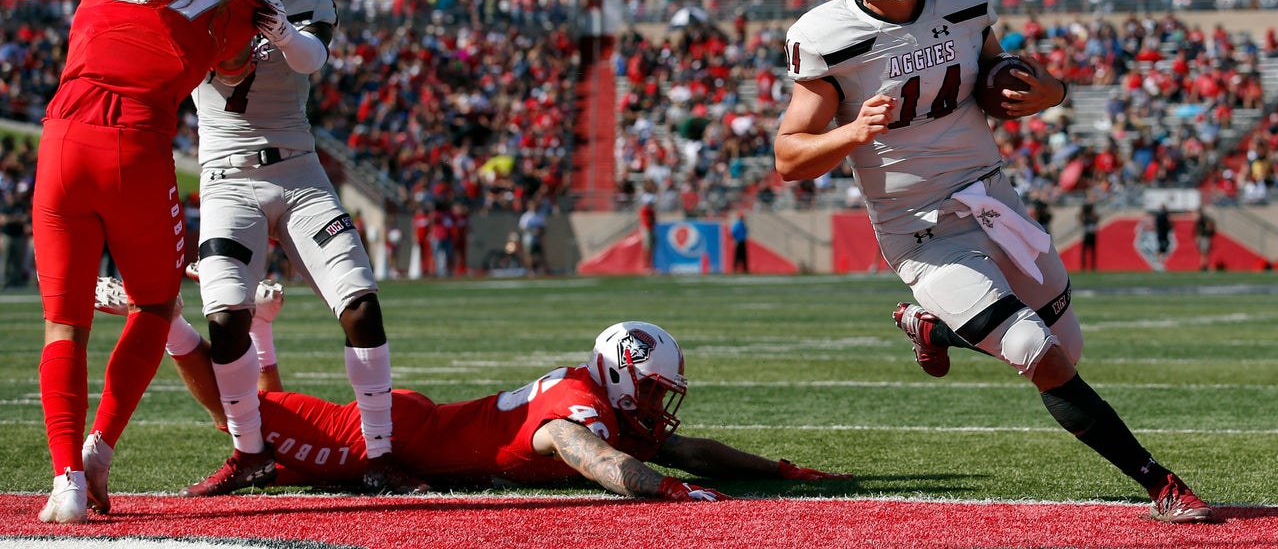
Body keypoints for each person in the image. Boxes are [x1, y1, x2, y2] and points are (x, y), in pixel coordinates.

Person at [772, 0, 1213, 524]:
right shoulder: (828, 34)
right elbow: (789, 158)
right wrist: (852, 132)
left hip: (993, 197)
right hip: (921, 227)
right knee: (1038, 354)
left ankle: (934, 328)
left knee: (1067, 349)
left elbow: (1000, 78)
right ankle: (1160, 483)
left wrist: (1051, 91)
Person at [93, 284, 849, 498]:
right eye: (650, 391)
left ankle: (261, 331)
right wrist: (667, 493)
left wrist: (782, 471)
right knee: (234, 418)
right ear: (620, 374)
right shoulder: (579, 409)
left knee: (277, 443)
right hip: (399, 441)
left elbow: (693, 450)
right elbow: (585, 454)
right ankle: (162, 312)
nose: (656, 407)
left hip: (416, 432)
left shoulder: (602, 395)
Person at [32, 0, 264, 524]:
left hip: (61, 141)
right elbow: (235, 66)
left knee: (64, 325)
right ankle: (99, 450)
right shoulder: (236, 3)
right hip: (134, 147)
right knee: (156, 304)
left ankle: (65, 481)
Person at [184, 0, 427, 498]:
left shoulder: (307, 2)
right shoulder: (194, 0)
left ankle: (380, 455)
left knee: (360, 302)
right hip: (227, 179)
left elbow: (310, 58)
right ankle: (249, 453)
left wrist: (280, 29)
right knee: (226, 318)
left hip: (299, 173)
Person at [518, 199, 548, 275]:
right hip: (528, 239)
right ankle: (530, 271)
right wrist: (531, 231)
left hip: (539, 239)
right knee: (529, 255)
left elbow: (544, 228)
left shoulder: (540, 216)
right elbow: (521, 228)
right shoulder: (525, 216)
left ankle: (541, 270)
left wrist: (539, 231)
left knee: (540, 255)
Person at [639, 195, 657, 274]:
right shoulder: (646, 210)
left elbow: (653, 220)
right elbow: (650, 220)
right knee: (647, 248)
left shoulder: (650, 210)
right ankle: (646, 267)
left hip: (651, 229)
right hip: (647, 229)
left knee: (651, 248)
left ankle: (651, 266)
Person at [1079, 202, 1100, 272]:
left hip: (1092, 234)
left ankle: (1093, 266)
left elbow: (1096, 219)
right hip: (1086, 234)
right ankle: (1083, 266)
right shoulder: (1084, 216)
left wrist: (1091, 213)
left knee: (1093, 251)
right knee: (1084, 251)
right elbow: (1081, 220)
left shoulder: (1092, 215)